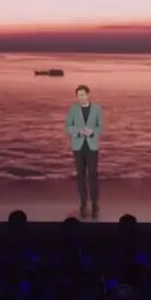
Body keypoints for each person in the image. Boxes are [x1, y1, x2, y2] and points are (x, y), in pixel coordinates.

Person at [65, 84, 103, 218]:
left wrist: (93, 132)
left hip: (92, 147)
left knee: (93, 175)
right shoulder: (73, 109)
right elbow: (68, 127)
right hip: (78, 146)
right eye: (78, 95)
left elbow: (101, 127)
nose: (80, 97)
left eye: (82, 95)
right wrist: (78, 132)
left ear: (88, 94)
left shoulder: (97, 109)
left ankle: (95, 204)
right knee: (80, 176)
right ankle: (83, 204)